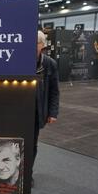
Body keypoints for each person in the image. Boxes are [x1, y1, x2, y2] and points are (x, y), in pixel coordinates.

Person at [33, 31, 60, 185]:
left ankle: (27, 174)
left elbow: (54, 91)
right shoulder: (18, 60)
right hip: (18, 111)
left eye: (36, 43)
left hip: (37, 113)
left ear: (42, 45)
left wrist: (53, 112)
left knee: (32, 146)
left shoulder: (50, 64)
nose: (33, 46)